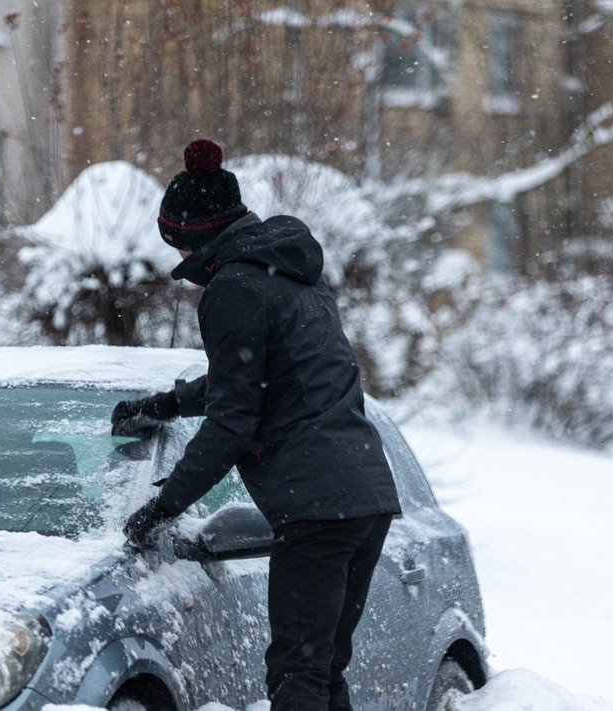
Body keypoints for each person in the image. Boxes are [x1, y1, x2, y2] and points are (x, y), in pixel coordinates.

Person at [112, 138, 402, 711]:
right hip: (365, 494)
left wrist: (163, 506)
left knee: (297, 677)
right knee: (319, 672)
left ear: (191, 236)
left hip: (317, 505)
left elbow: (233, 421)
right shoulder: (293, 274)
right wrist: (168, 406)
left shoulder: (235, 289)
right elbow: (256, 378)